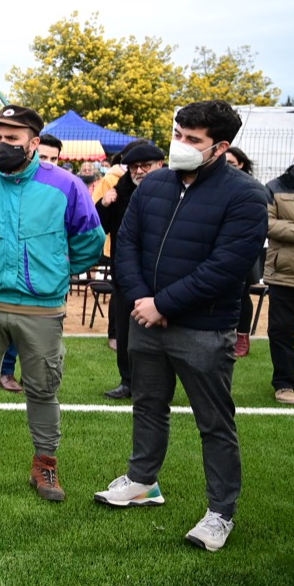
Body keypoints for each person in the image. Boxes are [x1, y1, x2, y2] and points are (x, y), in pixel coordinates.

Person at [99, 100, 268, 552]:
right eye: (178, 134)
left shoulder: (246, 195)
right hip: (145, 319)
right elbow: (127, 243)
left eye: (193, 140)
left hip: (204, 329)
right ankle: (142, 481)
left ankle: (220, 512)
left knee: (214, 423)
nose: (181, 145)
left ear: (220, 147)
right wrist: (141, 300)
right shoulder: (153, 184)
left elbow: (227, 267)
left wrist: (165, 304)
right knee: (148, 405)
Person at [0, 105, 104, 501]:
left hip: (41, 307)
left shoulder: (67, 185)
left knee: (43, 388)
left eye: (12, 138)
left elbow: (89, 241)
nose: (2, 145)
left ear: (34, 143)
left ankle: (45, 466)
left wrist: (54, 271)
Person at [95, 142, 165, 400]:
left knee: (163, 335)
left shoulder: (176, 191)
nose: (139, 171)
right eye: (134, 166)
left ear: (160, 164)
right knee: (125, 333)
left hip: (162, 277)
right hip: (124, 275)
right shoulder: (119, 191)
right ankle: (127, 382)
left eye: (145, 166)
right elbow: (96, 227)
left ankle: (157, 385)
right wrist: (104, 204)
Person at [0, 133, 65, 392]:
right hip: (10, 281)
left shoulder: (63, 189)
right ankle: (6, 372)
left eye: (54, 158)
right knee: (11, 333)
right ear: (34, 151)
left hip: (46, 283)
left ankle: (34, 374)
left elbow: (83, 240)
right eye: (44, 156)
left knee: (43, 338)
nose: (48, 161)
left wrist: (60, 268)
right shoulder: (7, 186)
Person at [266, 149, 294, 404]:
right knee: (281, 333)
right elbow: (265, 222)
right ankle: (284, 384)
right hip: (284, 276)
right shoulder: (275, 187)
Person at [223, 147, 262, 358]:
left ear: (242, 165)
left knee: (242, 293)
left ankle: (242, 337)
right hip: (219, 249)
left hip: (244, 250)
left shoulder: (252, 188)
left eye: (232, 163)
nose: (227, 167)